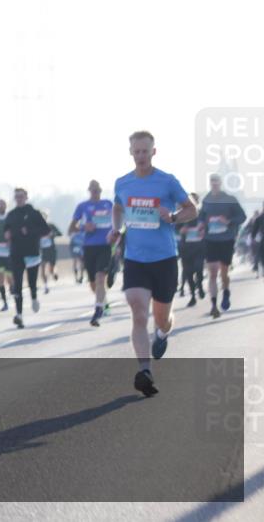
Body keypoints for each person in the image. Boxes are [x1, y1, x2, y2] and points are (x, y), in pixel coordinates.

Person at [110, 131, 197, 397]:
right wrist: (116, 229)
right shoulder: (122, 183)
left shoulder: (167, 181)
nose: (140, 156)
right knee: (138, 310)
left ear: (153, 152)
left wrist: (171, 217)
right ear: (130, 152)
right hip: (136, 259)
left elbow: (192, 209)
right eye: (136, 151)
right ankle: (144, 370)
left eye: (145, 151)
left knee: (161, 318)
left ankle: (162, 333)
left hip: (164, 259)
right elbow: (117, 208)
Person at [198, 174, 247, 317]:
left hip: (226, 239)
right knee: (212, 272)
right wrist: (201, 225)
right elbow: (201, 216)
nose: (214, 183)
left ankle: (226, 291)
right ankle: (214, 305)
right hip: (210, 239)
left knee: (224, 272)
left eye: (216, 181)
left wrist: (228, 221)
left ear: (221, 183)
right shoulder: (206, 200)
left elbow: (242, 217)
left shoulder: (230, 200)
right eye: (211, 181)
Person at [69, 180, 115, 327]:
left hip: (105, 246)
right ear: (89, 191)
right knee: (94, 284)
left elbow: (118, 222)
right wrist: (84, 227)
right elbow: (71, 229)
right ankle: (103, 301)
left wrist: (117, 236)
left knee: (101, 278)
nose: (95, 192)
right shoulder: (82, 206)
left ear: (101, 191)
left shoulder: (108, 204)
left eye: (98, 190)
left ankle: (98, 310)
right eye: (93, 190)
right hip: (89, 247)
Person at [4, 188, 49, 328]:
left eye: (21, 196)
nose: (19, 198)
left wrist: (29, 231)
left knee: (32, 281)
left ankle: (34, 297)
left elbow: (46, 230)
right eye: (16, 196)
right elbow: (6, 229)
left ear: (26, 197)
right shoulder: (11, 215)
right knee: (17, 284)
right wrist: (7, 234)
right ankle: (19, 315)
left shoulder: (34, 213)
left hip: (32, 252)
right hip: (16, 253)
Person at [178, 192, 207, 307]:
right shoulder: (181, 215)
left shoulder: (202, 214)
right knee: (188, 273)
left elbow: (208, 226)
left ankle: (199, 285)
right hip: (186, 248)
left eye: (194, 200)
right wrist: (181, 230)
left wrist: (204, 229)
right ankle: (193, 297)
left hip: (199, 247)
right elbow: (175, 228)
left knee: (199, 269)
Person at [39, 210, 62, 294]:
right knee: (43, 269)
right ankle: (45, 286)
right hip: (42, 251)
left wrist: (52, 234)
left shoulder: (51, 226)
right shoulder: (36, 227)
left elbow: (60, 233)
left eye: (43, 217)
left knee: (51, 269)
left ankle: (54, 273)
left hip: (51, 250)